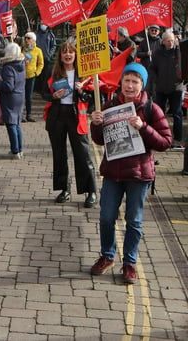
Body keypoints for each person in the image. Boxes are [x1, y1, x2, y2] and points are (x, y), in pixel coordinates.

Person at [89, 63, 172, 284]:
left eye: (135, 81)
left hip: (138, 174)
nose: (130, 85)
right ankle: (107, 256)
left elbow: (166, 142)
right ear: (121, 83)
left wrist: (143, 127)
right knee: (107, 217)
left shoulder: (151, 109)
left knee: (133, 220)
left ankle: (129, 263)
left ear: (142, 85)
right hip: (113, 173)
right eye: (127, 80)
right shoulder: (109, 105)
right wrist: (96, 124)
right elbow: (99, 140)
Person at [43, 42, 97, 207]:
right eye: (64, 52)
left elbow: (91, 99)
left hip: (76, 118)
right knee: (59, 155)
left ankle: (91, 191)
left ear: (75, 55)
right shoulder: (53, 73)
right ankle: (64, 189)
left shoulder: (84, 74)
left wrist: (81, 91)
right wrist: (53, 96)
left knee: (83, 154)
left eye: (71, 52)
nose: (67, 55)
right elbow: (43, 93)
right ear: (60, 56)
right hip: (57, 116)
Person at [149, 30, 186, 149]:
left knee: (177, 113)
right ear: (163, 41)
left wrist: (183, 78)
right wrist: (156, 79)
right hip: (161, 87)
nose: (171, 42)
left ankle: (177, 139)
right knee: (159, 113)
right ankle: (159, 136)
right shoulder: (157, 53)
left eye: (172, 40)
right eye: (168, 40)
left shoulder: (179, 51)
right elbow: (152, 68)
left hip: (176, 87)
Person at [0, 42, 26, 159]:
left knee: (11, 124)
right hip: (20, 96)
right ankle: (20, 149)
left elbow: (8, 86)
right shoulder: (21, 64)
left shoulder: (8, 67)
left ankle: (15, 150)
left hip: (10, 98)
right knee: (17, 124)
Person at [22, 31, 44, 122]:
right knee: (21, 96)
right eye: (26, 38)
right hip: (22, 75)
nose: (26, 40)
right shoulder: (21, 49)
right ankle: (21, 114)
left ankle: (29, 114)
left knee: (29, 96)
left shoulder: (38, 51)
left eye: (29, 38)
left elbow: (41, 64)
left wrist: (36, 73)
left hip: (31, 76)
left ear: (33, 40)